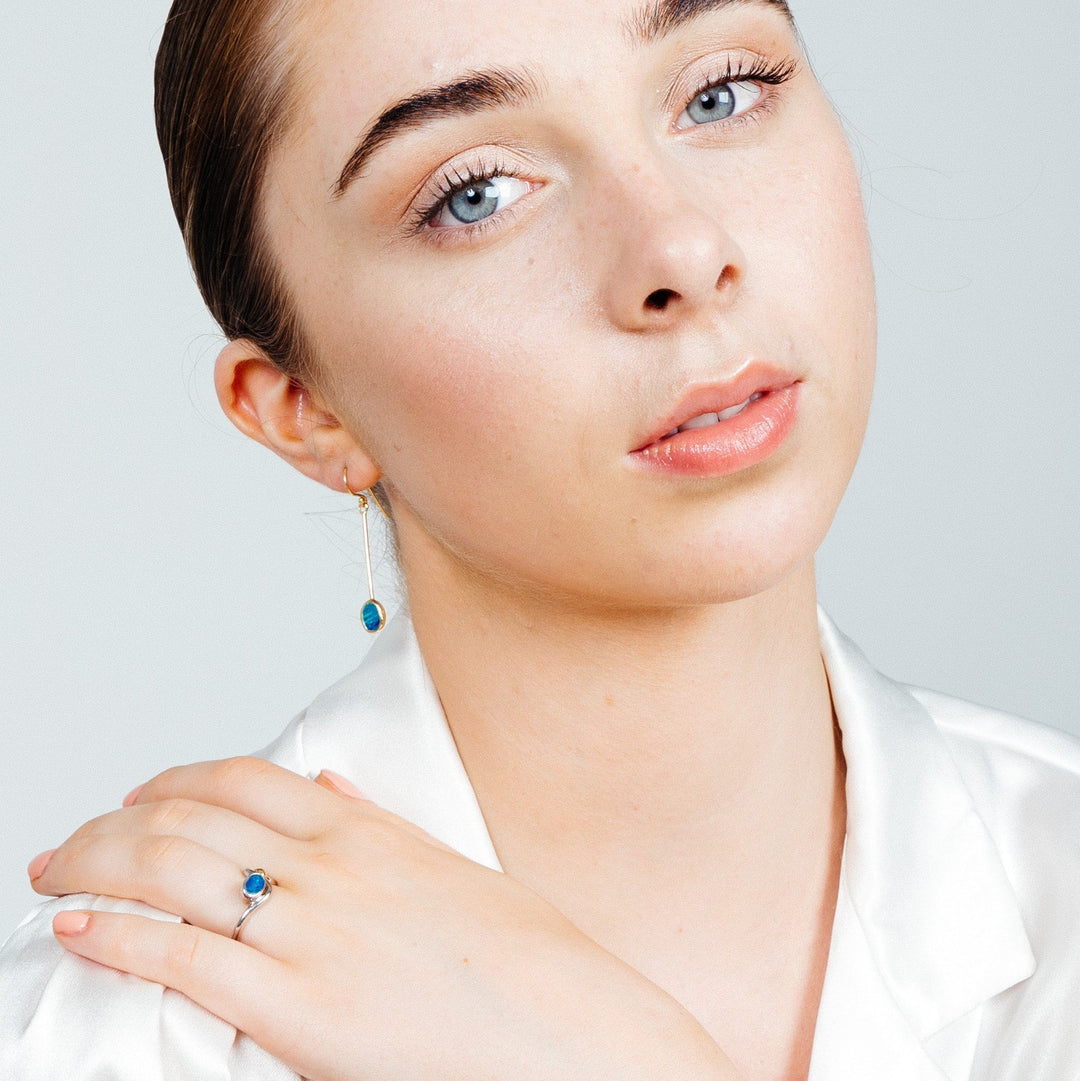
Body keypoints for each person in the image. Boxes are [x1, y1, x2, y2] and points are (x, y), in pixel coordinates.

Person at [1, 0, 1077, 1078]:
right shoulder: (109, 1034)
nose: (684, 249)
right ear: (304, 408)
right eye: (474, 196)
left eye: (721, 93)